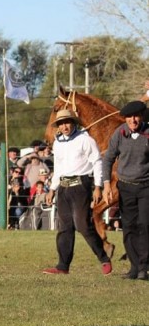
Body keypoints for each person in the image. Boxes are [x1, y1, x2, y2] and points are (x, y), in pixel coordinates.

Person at [42, 108, 112, 275]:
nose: (64, 126)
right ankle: (63, 266)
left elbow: (97, 161)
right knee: (64, 227)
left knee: (83, 225)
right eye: (61, 123)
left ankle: (103, 258)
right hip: (63, 187)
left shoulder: (85, 139)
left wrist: (97, 186)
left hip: (81, 185)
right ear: (57, 126)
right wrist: (52, 188)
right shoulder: (57, 143)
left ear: (73, 123)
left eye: (67, 122)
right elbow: (58, 167)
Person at [102, 100, 149, 280]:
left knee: (144, 225)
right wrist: (106, 184)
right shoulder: (120, 133)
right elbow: (108, 159)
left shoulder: (148, 133)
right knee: (128, 226)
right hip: (126, 187)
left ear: (142, 116)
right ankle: (134, 267)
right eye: (129, 117)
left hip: (145, 187)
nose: (133, 120)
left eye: (136, 116)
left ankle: (144, 267)